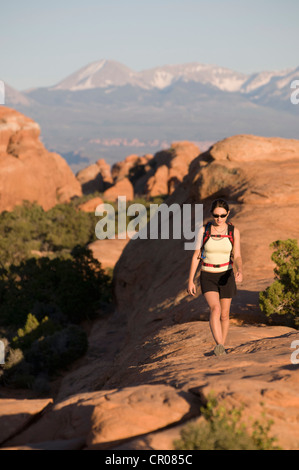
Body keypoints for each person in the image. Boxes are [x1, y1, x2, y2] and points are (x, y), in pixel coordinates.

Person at [187, 199, 243, 356]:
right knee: (215, 308)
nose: (219, 218)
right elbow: (196, 256)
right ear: (211, 214)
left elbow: (237, 255)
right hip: (207, 274)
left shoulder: (233, 231)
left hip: (226, 274)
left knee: (225, 314)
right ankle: (219, 345)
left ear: (228, 214)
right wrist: (190, 280)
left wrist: (240, 270)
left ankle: (221, 348)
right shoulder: (203, 230)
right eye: (216, 215)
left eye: (223, 215)